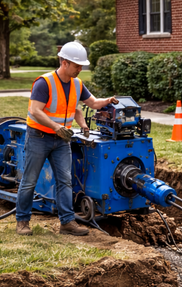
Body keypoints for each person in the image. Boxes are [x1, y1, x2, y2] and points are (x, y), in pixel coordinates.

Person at [16, 42, 118, 236]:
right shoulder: (43, 83)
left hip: (62, 141)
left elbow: (93, 103)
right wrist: (56, 127)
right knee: (29, 181)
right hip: (39, 137)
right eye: (77, 65)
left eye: (81, 66)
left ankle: (67, 223)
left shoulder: (77, 84)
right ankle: (22, 222)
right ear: (64, 63)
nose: (80, 69)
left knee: (65, 181)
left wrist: (107, 101)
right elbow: (34, 110)